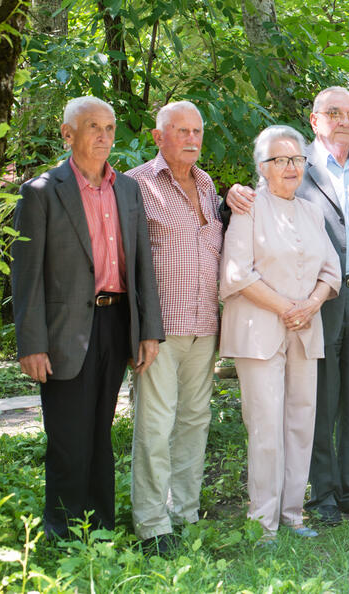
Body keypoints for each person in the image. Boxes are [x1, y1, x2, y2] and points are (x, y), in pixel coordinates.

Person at [227, 86, 349, 526]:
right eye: (333, 112)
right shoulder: (298, 165)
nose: (344, 121)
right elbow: (244, 250)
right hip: (307, 308)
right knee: (319, 402)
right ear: (315, 120)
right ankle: (324, 495)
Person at [11, 96, 163, 540]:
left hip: (117, 324)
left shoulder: (127, 189)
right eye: (92, 126)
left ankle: (100, 528)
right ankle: (63, 534)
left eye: (110, 127)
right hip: (64, 332)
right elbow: (27, 277)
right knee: (68, 439)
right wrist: (31, 342)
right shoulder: (41, 191)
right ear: (67, 133)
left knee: (101, 433)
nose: (103, 136)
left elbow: (141, 267)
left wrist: (148, 330)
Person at [220, 125, 342, 543]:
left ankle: (293, 515)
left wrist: (312, 304)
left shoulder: (311, 210)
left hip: (305, 329)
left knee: (301, 423)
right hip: (259, 332)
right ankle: (263, 521)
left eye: (297, 160)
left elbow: (331, 270)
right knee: (267, 426)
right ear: (262, 167)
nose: (291, 167)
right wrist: (287, 308)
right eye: (281, 160)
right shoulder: (248, 206)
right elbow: (236, 274)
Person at [126, 101, 223, 554]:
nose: (191, 138)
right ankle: (151, 523)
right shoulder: (137, 186)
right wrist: (141, 329)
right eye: (180, 130)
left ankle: (184, 513)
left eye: (197, 131)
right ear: (158, 136)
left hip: (205, 326)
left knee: (194, 421)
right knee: (154, 424)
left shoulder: (207, 185)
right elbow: (128, 266)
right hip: (159, 330)